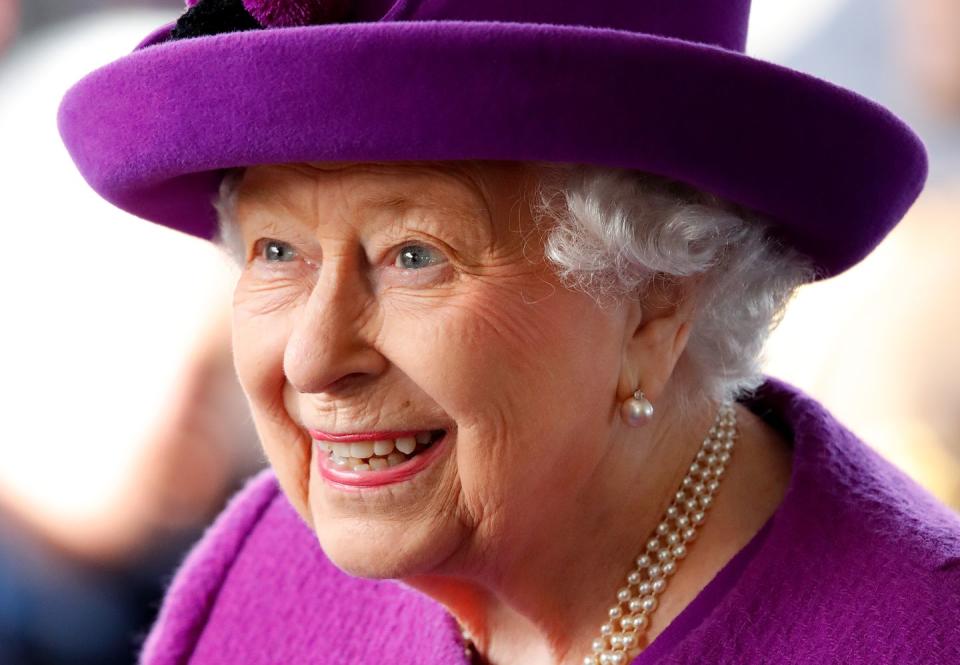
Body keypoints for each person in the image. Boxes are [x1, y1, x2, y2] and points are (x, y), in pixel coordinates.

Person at [56, 1, 960, 663]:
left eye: (413, 255)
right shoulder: (260, 577)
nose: (312, 356)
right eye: (277, 249)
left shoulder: (915, 634)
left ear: (655, 300)